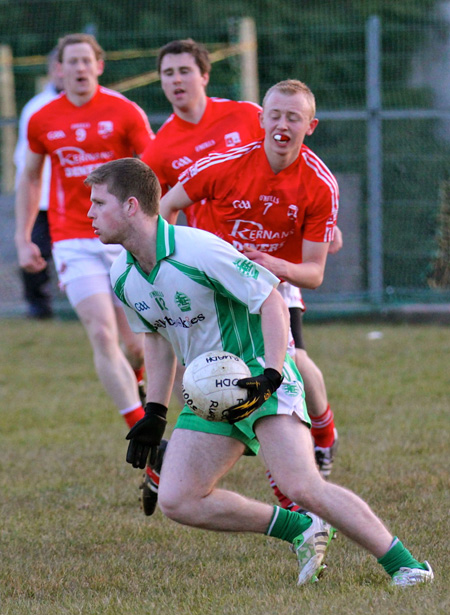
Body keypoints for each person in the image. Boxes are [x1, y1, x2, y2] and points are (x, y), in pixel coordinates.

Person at [85, 156, 433, 588]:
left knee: (301, 484)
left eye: (99, 203)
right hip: (212, 388)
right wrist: (154, 413)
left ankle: (407, 564)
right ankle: (300, 529)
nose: (90, 213)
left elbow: (270, 299)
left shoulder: (198, 250)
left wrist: (271, 373)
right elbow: (156, 339)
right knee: (178, 499)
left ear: (132, 206)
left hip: (258, 374)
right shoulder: (123, 274)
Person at [141, 39, 340, 516]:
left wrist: (280, 264)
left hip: (275, 280)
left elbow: (313, 271)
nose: (281, 124)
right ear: (262, 119)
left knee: (290, 364)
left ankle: (314, 443)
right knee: (205, 375)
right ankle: (172, 460)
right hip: (216, 280)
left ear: (309, 126)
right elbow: (162, 208)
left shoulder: (314, 179)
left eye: (293, 118)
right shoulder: (200, 156)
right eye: (275, 116)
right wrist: (181, 257)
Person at [15, 33, 154, 428]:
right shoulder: (43, 118)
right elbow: (28, 178)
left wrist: (153, 224)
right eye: (69, 62)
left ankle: (141, 381)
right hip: (72, 240)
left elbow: (153, 167)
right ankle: (139, 428)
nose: (78, 68)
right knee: (101, 332)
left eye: (84, 61)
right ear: (58, 69)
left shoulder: (124, 111)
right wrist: (22, 238)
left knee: (137, 345)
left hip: (125, 239)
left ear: (99, 66)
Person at [14, 47, 64, 319]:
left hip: (81, 200)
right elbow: (25, 161)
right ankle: (39, 308)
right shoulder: (36, 108)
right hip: (43, 200)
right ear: (52, 69)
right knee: (35, 252)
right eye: (59, 64)